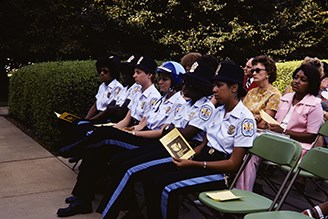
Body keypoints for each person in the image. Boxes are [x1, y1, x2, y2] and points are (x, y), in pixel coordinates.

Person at [97, 60, 256, 219]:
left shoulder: (244, 119)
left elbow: (233, 164)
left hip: (220, 173)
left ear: (234, 88)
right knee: (150, 177)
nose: (214, 89)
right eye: (214, 84)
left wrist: (194, 163)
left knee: (166, 187)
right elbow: (204, 144)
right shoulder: (218, 111)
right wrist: (190, 155)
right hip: (199, 158)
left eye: (219, 85)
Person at [237, 63, 323, 192]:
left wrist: (284, 131)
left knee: (254, 148)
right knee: (249, 147)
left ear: (311, 84)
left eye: (303, 80)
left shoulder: (315, 106)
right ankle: (241, 189)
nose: (297, 81)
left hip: (295, 147)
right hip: (277, 139)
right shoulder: (286, 98)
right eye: (296, 77)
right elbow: (277, 122)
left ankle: (242, 190)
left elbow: (311, 137)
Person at [242, 55, 281, 129]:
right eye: (253, 71)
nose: (254, 73)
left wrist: (250, 119)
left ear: (268, 73)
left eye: (258, 70)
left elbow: (263, 124)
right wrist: (255, 119)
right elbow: (240, 114)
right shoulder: (251, 92)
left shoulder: (274, 95)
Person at [85, 55, 122, 122]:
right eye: (100, 71)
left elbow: (108, 110)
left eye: (105, 71)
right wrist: (85, 120)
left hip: (107, 119)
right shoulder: (102, 86)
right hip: (97, 116)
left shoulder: (117, 87)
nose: (102, 73)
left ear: (113, 72)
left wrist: (91, 121)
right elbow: (96, 105)